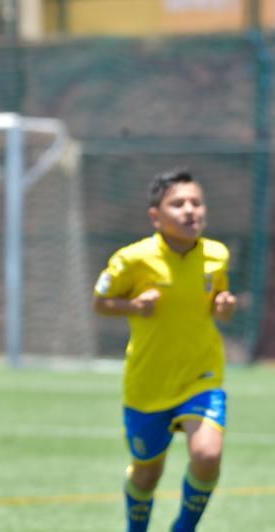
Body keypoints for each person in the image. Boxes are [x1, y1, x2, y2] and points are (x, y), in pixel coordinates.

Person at [92, 168, 237, 532]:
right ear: (156, 216)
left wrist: (224, 306)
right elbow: (101, 301)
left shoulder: (217, 255)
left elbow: (217, 299)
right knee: (147, 473)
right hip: (148, 383)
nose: (190, 210)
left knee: (207, 455)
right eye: (178, 204)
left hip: (201, 376)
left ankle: (183, 528)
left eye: (196, 202)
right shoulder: (132, 259)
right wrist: (134, 306)